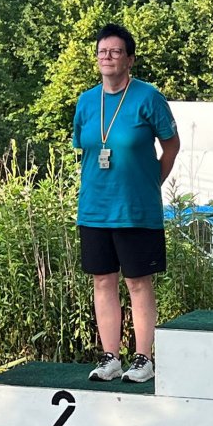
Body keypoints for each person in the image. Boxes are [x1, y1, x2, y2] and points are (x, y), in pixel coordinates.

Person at [73, 23, 180, 382]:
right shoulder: (87, 102)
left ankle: (143, 358)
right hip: (94, 208)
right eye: (103, 51)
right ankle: (109, 356)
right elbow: (85, 149)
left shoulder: (148, 98)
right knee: (102, 281)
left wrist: (151, 182)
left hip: (135, 208)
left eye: (116, 51)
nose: (108, 57)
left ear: (130, 59)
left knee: (138, 281)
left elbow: (171, 146)